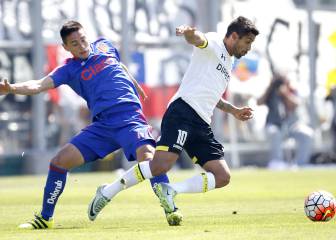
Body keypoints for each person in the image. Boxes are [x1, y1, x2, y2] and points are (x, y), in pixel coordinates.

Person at [0, 20, 181, 229]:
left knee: (148, 157)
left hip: (130, 118)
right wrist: (12, 88)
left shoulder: (105, 46)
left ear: (88, 36)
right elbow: (39, 85)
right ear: (66, 48)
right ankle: (45, 218)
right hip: (102, 126)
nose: (82, 45)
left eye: (83, 39)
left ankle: (171, 209)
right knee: (59, 161)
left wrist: (134, 84)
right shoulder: (68, 70)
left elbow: (119, 65)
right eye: (74, 43)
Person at [88, 16, 259, 223]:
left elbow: (211, 95)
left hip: (201, 122)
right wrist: (188, 31)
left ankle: (172, 190)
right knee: (160, 166)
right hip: (183, 112)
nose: (248, 48)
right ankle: (107, 192)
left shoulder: (229, 61)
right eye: (247, 42)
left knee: (223, 176)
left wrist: (233, 110)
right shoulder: (214, 42)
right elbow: (197, 38)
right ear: (233, 36)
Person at [257, 73, 313, 169]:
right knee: (274, 132)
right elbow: (259, 102)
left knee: (306, 133)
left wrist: (285, 93)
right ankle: (277, 162)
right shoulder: (270, 92)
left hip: (291, 125)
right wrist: (270, 88)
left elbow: (296, 104)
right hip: (274, 124)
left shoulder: (291, 90)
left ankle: (301, 164)